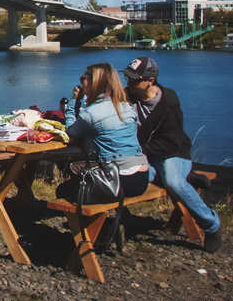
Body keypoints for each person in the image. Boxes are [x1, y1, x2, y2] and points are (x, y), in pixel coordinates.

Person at [123, 57, 222, 252]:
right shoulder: (129, 96)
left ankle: (212, 225)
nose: (129, 83)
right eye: (128, 78)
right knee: (131, 174)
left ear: (150, 81)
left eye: (134, 79)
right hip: (145, 154)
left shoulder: (169, 106)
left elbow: (171, 142)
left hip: (172, 152)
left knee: (175, 183)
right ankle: (189, 177)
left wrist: (140, 151)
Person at [60, 62, 149, 199]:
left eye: (83, 78)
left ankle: (88, 221)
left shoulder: (90, 114)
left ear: (93, 82)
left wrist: (74, 102)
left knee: (63, 191)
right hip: (141, 177)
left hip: (116, 180)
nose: (81, 82)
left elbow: (71, 131)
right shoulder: (127, 107)